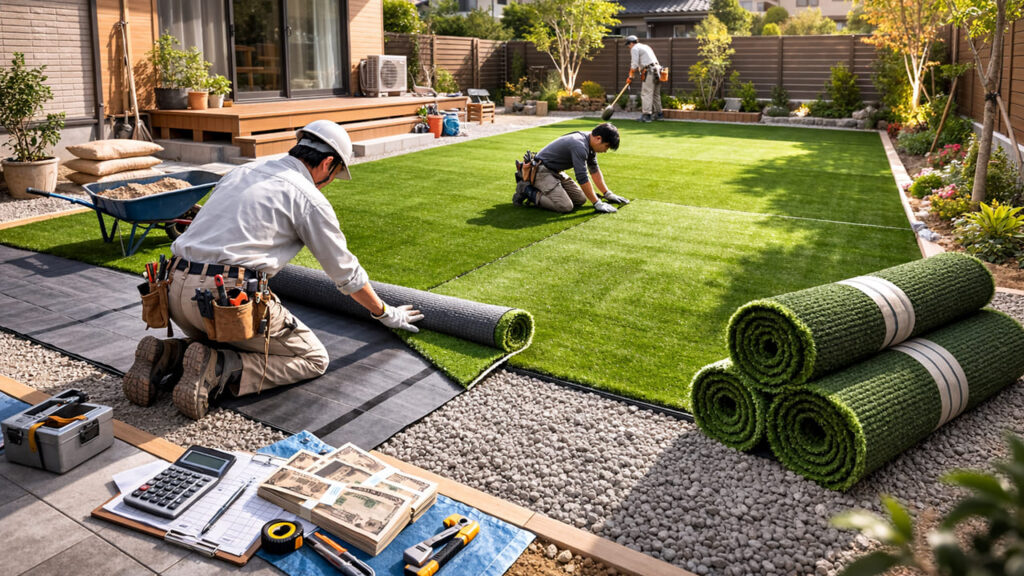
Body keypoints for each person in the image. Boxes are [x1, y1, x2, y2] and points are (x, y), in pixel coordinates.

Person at [123, 120, 424, 420]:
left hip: (172, 291)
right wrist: (385, 313)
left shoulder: (241, 172)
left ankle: (170, 355)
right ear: (328, 163)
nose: (329, 183)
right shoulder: (307, 197)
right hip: (224, 302)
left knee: (223, 332)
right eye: (333, 176)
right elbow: (346, 274)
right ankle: (217, 366)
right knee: (313, 357)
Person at [513, 122, 629, 213]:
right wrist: (597, 203)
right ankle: (526, 189)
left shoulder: (589, 142)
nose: (605, 150)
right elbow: (582, 177)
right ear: (598, 138)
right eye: (607, 146)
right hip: (541, 171)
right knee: (565, 206)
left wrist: (607, 193)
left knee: (581, 199)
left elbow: (594, 170)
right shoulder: (579, 145)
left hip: (555, 171)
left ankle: (546, 189)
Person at [625, 35, 663, 123]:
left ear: (631, 43)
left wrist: (630, 76)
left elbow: (634, 64)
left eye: (628, 45)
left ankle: (647, 115)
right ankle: (659, 114)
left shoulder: (634, 48)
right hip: (658, 70)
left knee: (646, 93)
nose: (628, 47)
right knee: (656, 94)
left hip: (649, 71)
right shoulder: (645, 46)